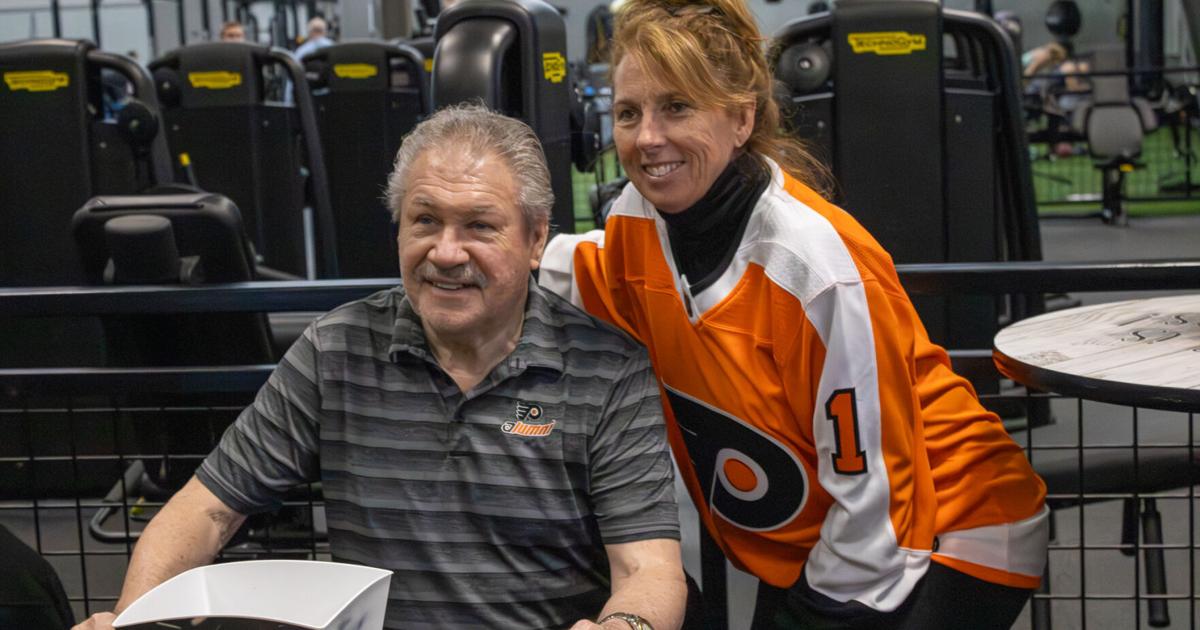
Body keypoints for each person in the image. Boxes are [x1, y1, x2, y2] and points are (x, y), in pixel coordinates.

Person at [73, 104, 686, 630]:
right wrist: (132, 617)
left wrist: (625, 625)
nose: (446, 252)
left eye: (479, 226)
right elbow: (205, 510)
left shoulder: (607, 369)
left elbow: (649, 570)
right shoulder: (335, 350)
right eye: (425, 221)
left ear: (534, 240)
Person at [537, 0, 1050, 626]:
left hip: (949, 526)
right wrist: (481, 251)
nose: (647, 137)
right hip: (833, 534)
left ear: (741, 117)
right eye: (628, 113)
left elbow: (877, 508)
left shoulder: (814, 271)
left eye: (677, 107)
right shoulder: (637, 224)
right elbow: (578, 268)